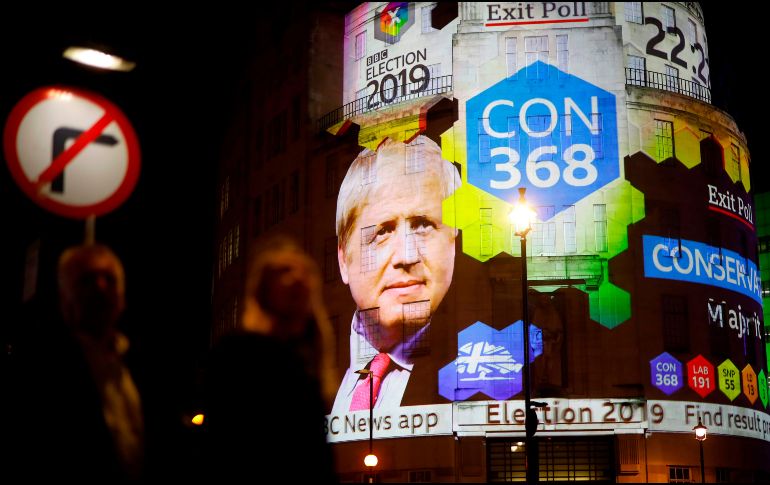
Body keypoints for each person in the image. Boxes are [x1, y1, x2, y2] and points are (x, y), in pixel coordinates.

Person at [332, 135, 461, 413]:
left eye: (423, 225)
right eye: (383, 232)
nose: (407, 255)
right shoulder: (308, 374)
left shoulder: (484, 376)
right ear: (344, 259)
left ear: (454, 242)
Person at [203, 236, 337, 483]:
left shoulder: (309, 364)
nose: (297, 278)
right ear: (263, 291)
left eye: (304, 273)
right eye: (284, 272)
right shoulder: (235, 354)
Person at [7, 243, 144, 484]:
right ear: (65, 298)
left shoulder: (139, 365)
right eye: (86, 280)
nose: (100, 288)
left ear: (122, 297)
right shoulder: (42, 371)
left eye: (109, 279)